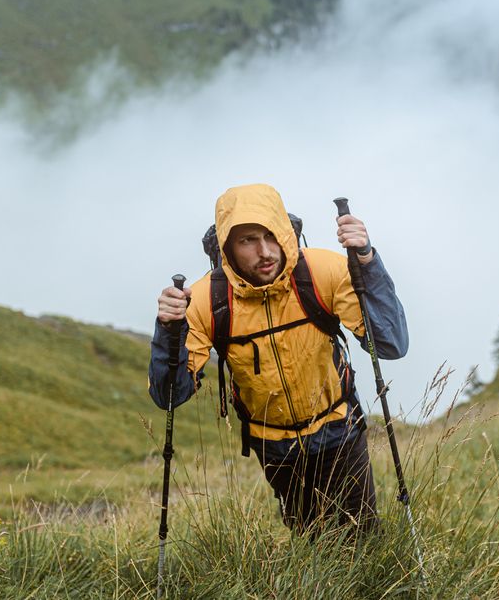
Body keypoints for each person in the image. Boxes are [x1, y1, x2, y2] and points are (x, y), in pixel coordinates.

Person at [148, 183, 408, 534]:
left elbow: (390, 342)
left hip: (339, 429)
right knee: (312, 540)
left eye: (272, 235)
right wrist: (168, 330)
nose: (265, 251)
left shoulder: (320, 272)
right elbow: (169, 395)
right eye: (247, 241)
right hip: (273, 446)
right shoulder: (206, 300)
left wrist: (367, 262)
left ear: (286, 233)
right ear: (227, 247)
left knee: (363, 534)